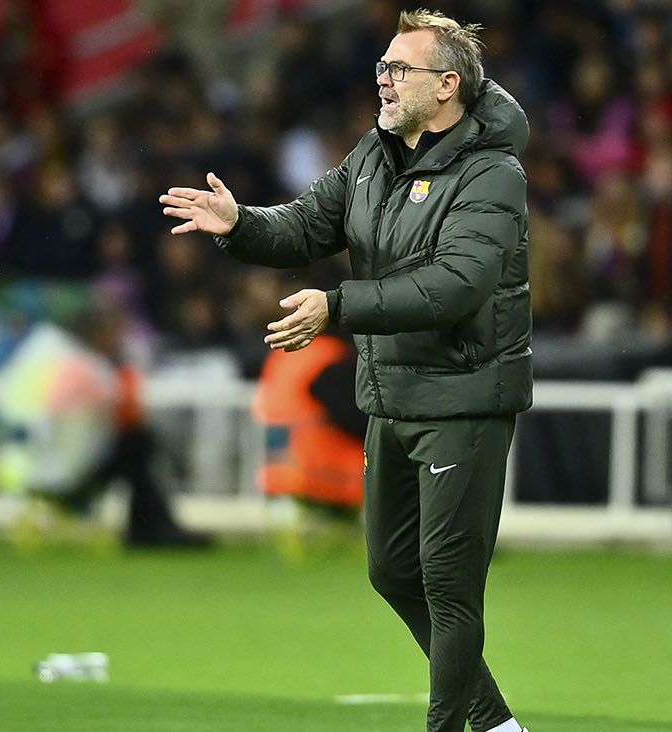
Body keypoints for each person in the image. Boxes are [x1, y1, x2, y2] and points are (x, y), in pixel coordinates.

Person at [160, 9, 530, 732]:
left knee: (451, 588)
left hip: (464, 397)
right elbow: (304, 225)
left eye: (401, 69)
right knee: (392, 571)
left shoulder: (493, 173)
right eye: (383, 68)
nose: (384, 81)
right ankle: (496, 726)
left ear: (447, 84)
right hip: (392, 395)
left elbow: (454, 285)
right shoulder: (373, 155)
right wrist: (240, 225)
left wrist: (337, 306)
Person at [0, 310, 211, 549]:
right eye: (114, 334)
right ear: (97, 334)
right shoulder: (79, 365)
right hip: (54, 469)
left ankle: (150, 528)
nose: (118, 341)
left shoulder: (43, 351)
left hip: (20, 463)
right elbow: (117, 402)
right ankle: (152, 528)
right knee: (137, 442)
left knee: (136, 447)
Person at [254, 326, 366, 559]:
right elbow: (350, 417)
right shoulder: (332, 358)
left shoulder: (286, 353)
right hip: (328, 466)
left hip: (281, 461)